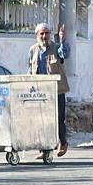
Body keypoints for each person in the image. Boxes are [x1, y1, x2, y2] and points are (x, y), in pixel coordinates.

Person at [28, 23, 70, 157]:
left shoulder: (56, 48)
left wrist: (62, 40)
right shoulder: (32, 50)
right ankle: (44, 149)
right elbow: (30, 69)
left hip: (57, 91)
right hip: (40, 92)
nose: (44, 36)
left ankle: (62, 143)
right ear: (37, 35)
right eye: (42, 34)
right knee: (41, 121)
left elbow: (65, 54)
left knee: (58, 119)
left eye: (47, 33)